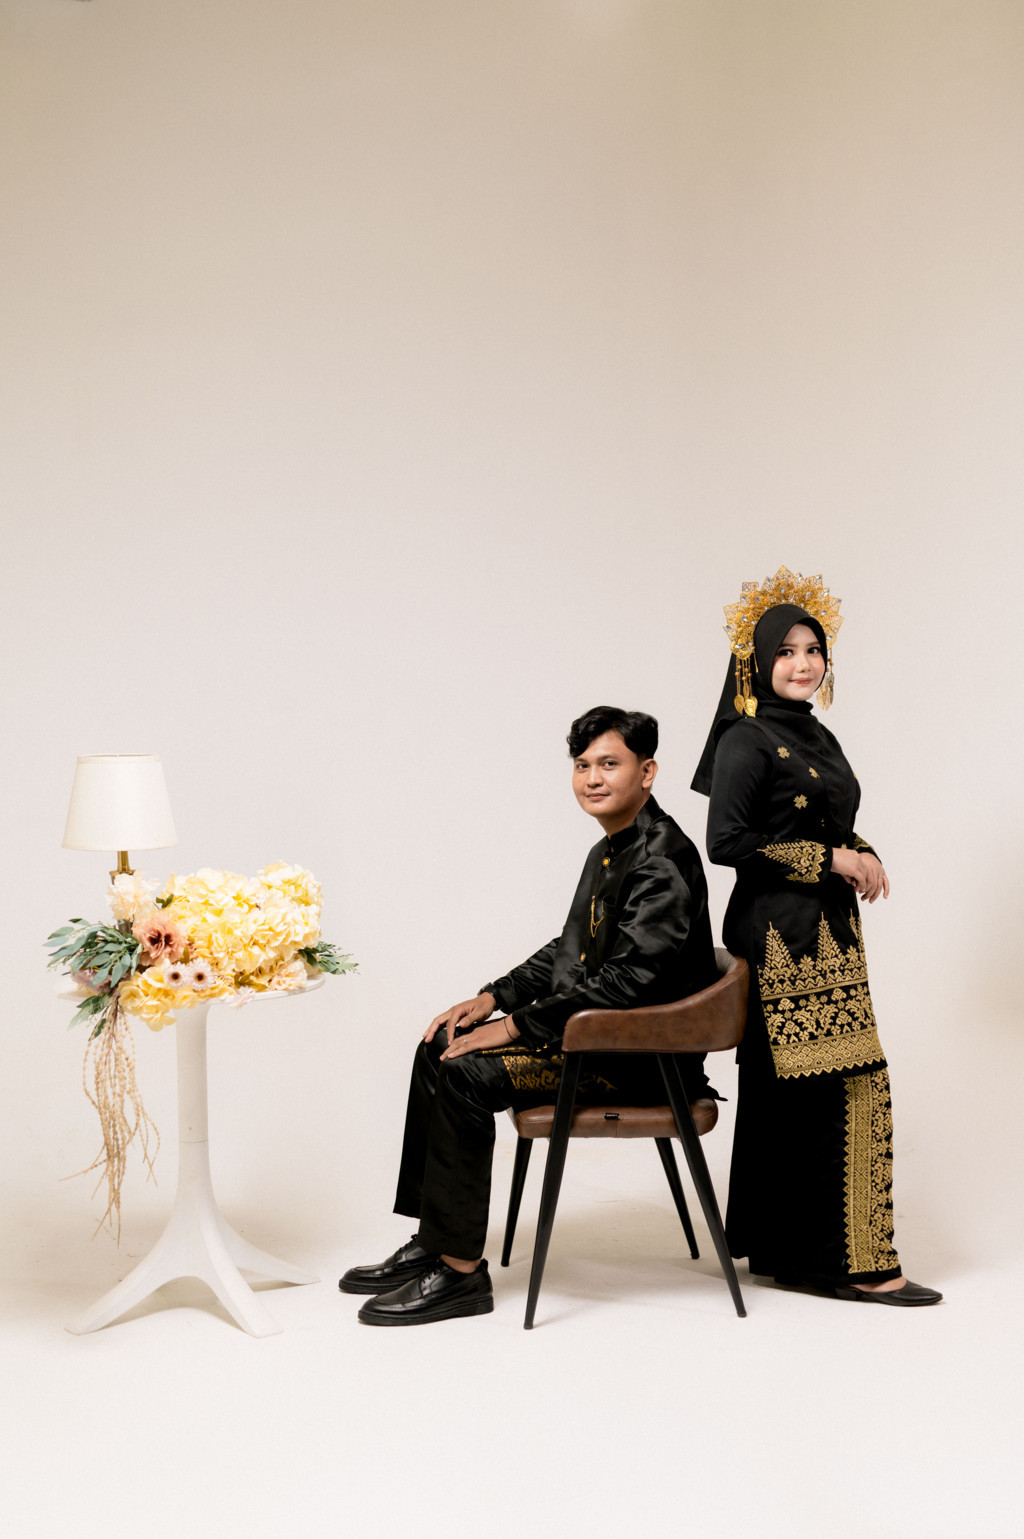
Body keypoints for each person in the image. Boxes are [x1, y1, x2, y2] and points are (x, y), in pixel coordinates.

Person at [340, 705, 720, 1325]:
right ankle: (437, 1240)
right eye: (582, 765)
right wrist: (494, 997)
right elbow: (570, 950)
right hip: (595, 1039)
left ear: (647, 772)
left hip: (638, 1060)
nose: (592, 778)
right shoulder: (611, 850)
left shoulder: (661, 858)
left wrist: (513, 1027)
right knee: (440, 1045)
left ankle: (461, 1274)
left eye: (609, 764)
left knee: (465, 1073)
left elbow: (626, 983)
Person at [691, 567, 941, 1306]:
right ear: (757, 662)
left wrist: (862, 852)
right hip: (783, 941)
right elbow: (726, 841)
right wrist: (830, 860)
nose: (803, 664)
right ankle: (861, 1264)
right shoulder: (745, 738)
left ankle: (792, 1254)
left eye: (813, 650)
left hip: (827, 929)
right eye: (786, 651)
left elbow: (826, 822)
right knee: (845, 1088)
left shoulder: (815, 735)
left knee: (801, 1094)